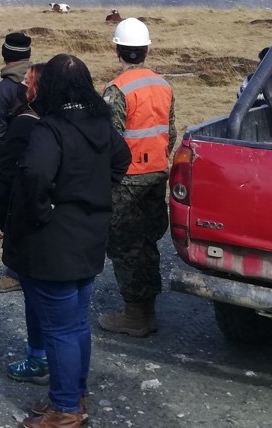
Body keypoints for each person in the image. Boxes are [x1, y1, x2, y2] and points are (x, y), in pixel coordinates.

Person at [5, 54, 130, 428]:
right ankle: (74, 397)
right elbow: (122, 161)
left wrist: (44, 210)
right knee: (76, 324)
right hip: (90, 234)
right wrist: (94, 189)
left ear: (52, 86)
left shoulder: (50, 128)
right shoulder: (101, 123)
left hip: (55, 240)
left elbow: (35, 175)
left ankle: (65, 409)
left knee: (60, 328)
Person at [97, 17, 175, 337]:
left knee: (126, 245)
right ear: (145, 50)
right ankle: (148, 311)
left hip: (127, 179)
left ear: (117, 49)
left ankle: (133, 315)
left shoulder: (118, 90)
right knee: (148, 243)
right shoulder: (164, 85)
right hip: (157, 174)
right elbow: (169, 132)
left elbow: (109, 140)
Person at [0, 62, 48, 384]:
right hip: (76, 230)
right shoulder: (76, 121)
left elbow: (10, 174)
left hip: (32, 224)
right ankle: (71, 384)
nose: (24, 84)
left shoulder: (25, 124)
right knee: (72, 316)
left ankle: (40, 359)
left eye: (29, 81)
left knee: (39, 298)